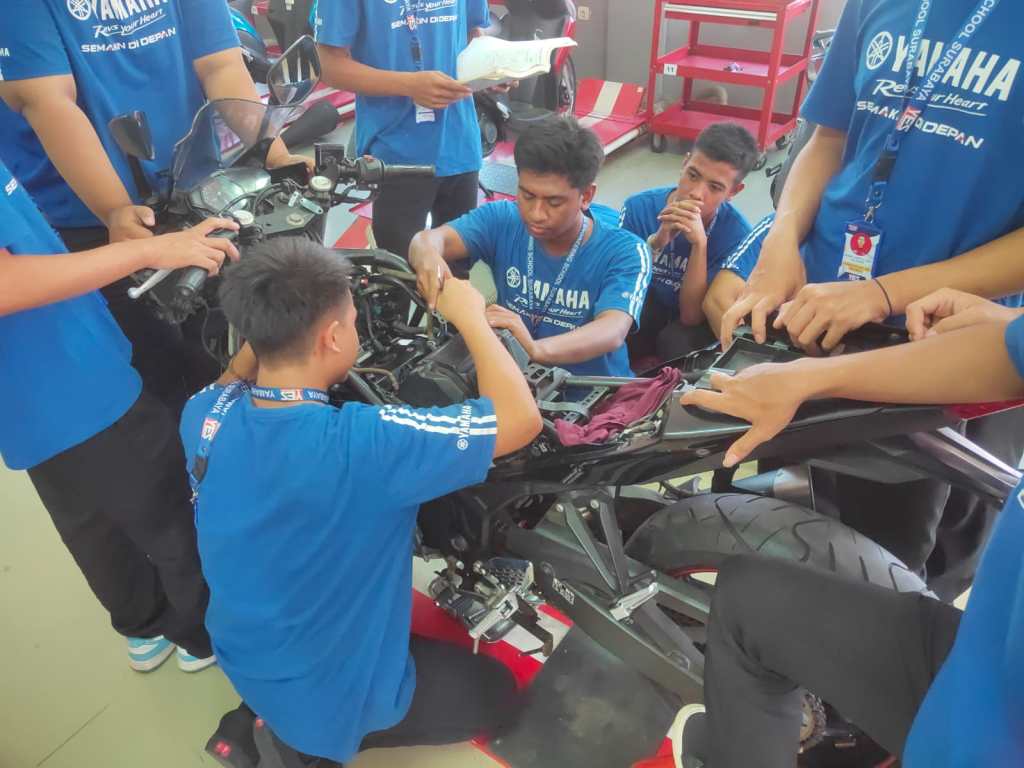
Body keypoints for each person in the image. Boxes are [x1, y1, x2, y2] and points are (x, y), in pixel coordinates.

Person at [181, 238, 541, 764]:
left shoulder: (203, 414)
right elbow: (521, 420)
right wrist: (471, 318)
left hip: (243, 651)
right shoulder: (361, 443)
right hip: (330, 700)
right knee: (497, 692)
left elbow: (235, 377)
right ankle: (306, 743)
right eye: (352, 321)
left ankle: (269, 714)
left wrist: (270, 331)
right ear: (331, 337)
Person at [715, 0, 1024, 592]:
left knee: (888, 565)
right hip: (812, 307)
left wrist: (883, 294)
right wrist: (782, 239)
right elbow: (829, 138)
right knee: (768, 518)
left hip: (938, 341)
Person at [675, 289, 1024, 768]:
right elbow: (1005, 351)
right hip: (988, 650)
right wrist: (809, 376)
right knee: (747, 597)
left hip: (989, 737)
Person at [0, 0, 309, 412]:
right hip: (92, 220)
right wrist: (114, 210)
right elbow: (48, 102)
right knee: (150, 370)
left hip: (199, 196)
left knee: (222, 350)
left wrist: (276, 154)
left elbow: (220, 65)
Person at [0, 159, 240, 672]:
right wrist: (150, 250)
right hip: (74, 379)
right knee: (172, 511)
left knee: (93, 526)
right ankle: (206, 635)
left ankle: (146, 628)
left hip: (28, 403)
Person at [409, 117, 652, 380]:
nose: (536, 213)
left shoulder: (626, 251)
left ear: (586, 196)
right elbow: (428, 240)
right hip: (515, 379)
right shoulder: (502, 219)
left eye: (553, 202)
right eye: (527, 195)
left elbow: (612, 330)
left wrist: (536, 350)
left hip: (595, 391)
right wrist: (427, 256)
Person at [315, 0, 488, 261]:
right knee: (399, 269)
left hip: (460, 145)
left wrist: (492, 69)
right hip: (395, 152)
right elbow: (327, 64)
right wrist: (408, 85)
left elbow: (473, 32)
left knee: (457, 270)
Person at [618, 123, 757, 364]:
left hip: (691, 323)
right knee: (628, 320)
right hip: (648, 306)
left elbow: (691, 317)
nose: (696, 193)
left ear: (734, 192)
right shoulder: (638, 208)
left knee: (678, 342)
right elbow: (618, 287)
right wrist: (657, 242)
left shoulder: (737, 235)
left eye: (715, 187)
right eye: (693, 175)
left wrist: (699, 246)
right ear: (684, 162)